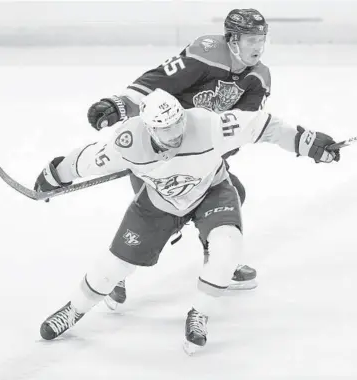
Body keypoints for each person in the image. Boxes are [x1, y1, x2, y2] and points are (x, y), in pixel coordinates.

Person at [36, 89, 340, 354]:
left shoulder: (208, 125)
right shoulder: (127, 143)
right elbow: (85, 161)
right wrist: (54, 175)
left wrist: (307, 142)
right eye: (166, 130)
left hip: (212, 191)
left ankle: (200, 313)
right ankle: (73, 310)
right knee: (114, 267)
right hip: (158, 204)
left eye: (179, 122)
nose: (176, 134)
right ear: (149, 128)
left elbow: (266, 126)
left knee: (227, 248)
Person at [87, 8, 271, 308]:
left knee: (233, 193)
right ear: (232, 40)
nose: (258, 46)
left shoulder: (259, 77)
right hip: (157, 149)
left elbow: (244, 126)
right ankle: (114, 274)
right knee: (148, 216)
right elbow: (155, 84)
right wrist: (119, 105)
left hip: (200, 156)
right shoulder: (206, 54)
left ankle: (219, 260)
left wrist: (209, 150)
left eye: (261, 39)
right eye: (251, 39)